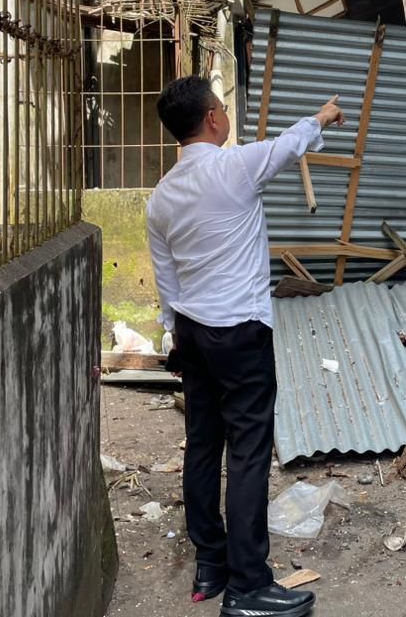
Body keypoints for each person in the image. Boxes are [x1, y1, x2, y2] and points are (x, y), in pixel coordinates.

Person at [147, 75, 344, 617]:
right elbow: (289, 143)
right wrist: (324, 116)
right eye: (222, 107)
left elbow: (167, 279)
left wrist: (174, 332)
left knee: (204, 444)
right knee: (250, 452)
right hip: (239, 331)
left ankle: (211, 564)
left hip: (191, 331)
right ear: (213, 118)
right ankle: (249, 586)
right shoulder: (233, 168)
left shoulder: (161, 197)